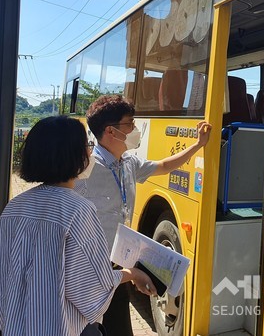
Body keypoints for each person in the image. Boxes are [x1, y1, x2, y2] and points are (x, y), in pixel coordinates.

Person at [0, 116, 156, 336]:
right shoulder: (78, 209)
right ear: (75, 155)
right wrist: (132, 273)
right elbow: (92, 288)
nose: (90, 152)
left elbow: (3, 278)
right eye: (87, 146)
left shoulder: (14, 208)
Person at [75, 94, 212, 336]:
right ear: (111, 131)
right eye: (130, 123)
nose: (136, 129)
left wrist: (198, 145)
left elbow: (164, 166)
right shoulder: (85, 168)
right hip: (89, 272)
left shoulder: (128, 163)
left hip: (117, 267)